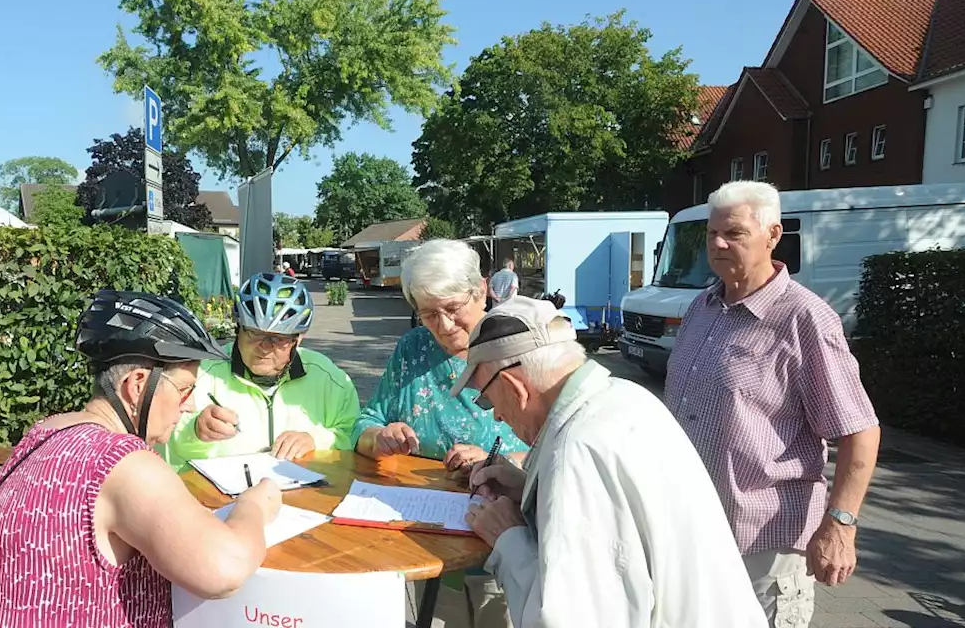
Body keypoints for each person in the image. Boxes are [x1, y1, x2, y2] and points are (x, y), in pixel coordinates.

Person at [0, 290, 282, 628]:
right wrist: (255, 506)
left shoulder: (46, 431)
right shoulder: (122, 462)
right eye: (185, 389)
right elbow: (223, 571)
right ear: (138, 384)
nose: (189, 405)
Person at [458, 296, 766, 627]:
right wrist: (530, 488)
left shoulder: (575, 452)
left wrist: (509, 539)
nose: (500, 417)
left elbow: (572, 618)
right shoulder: (623, 397)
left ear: (514, 387)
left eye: (488, 402)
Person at [664, 180, 881, 627]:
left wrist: (840, 524)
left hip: (765, 542)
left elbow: (860, 431)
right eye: (712, 233)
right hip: (693, 531)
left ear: (773, 235)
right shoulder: (703, 306)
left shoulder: (804, 318)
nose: (719, 244)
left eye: (735, 233)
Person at [352, 239, 527, 628]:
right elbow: (364, 425)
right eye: (428, 313)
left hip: (504, 544)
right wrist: (380, 436)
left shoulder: (518, 345)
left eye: (452, 309)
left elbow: (556, 447)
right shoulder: (413, 350)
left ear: (481, 290)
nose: (444, 327)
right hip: (423, 538)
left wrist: (498, 462)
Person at [162, 273, 360, 468]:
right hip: (221, 496)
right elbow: (165, 446)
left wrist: (315, 440)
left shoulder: (330, 379)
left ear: (298, 338)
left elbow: (354, 435)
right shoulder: (200, 375)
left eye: (278, 338)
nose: (265, 347)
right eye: (255, 334)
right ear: (238, 328)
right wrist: (196, 433)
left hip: (304, 494)